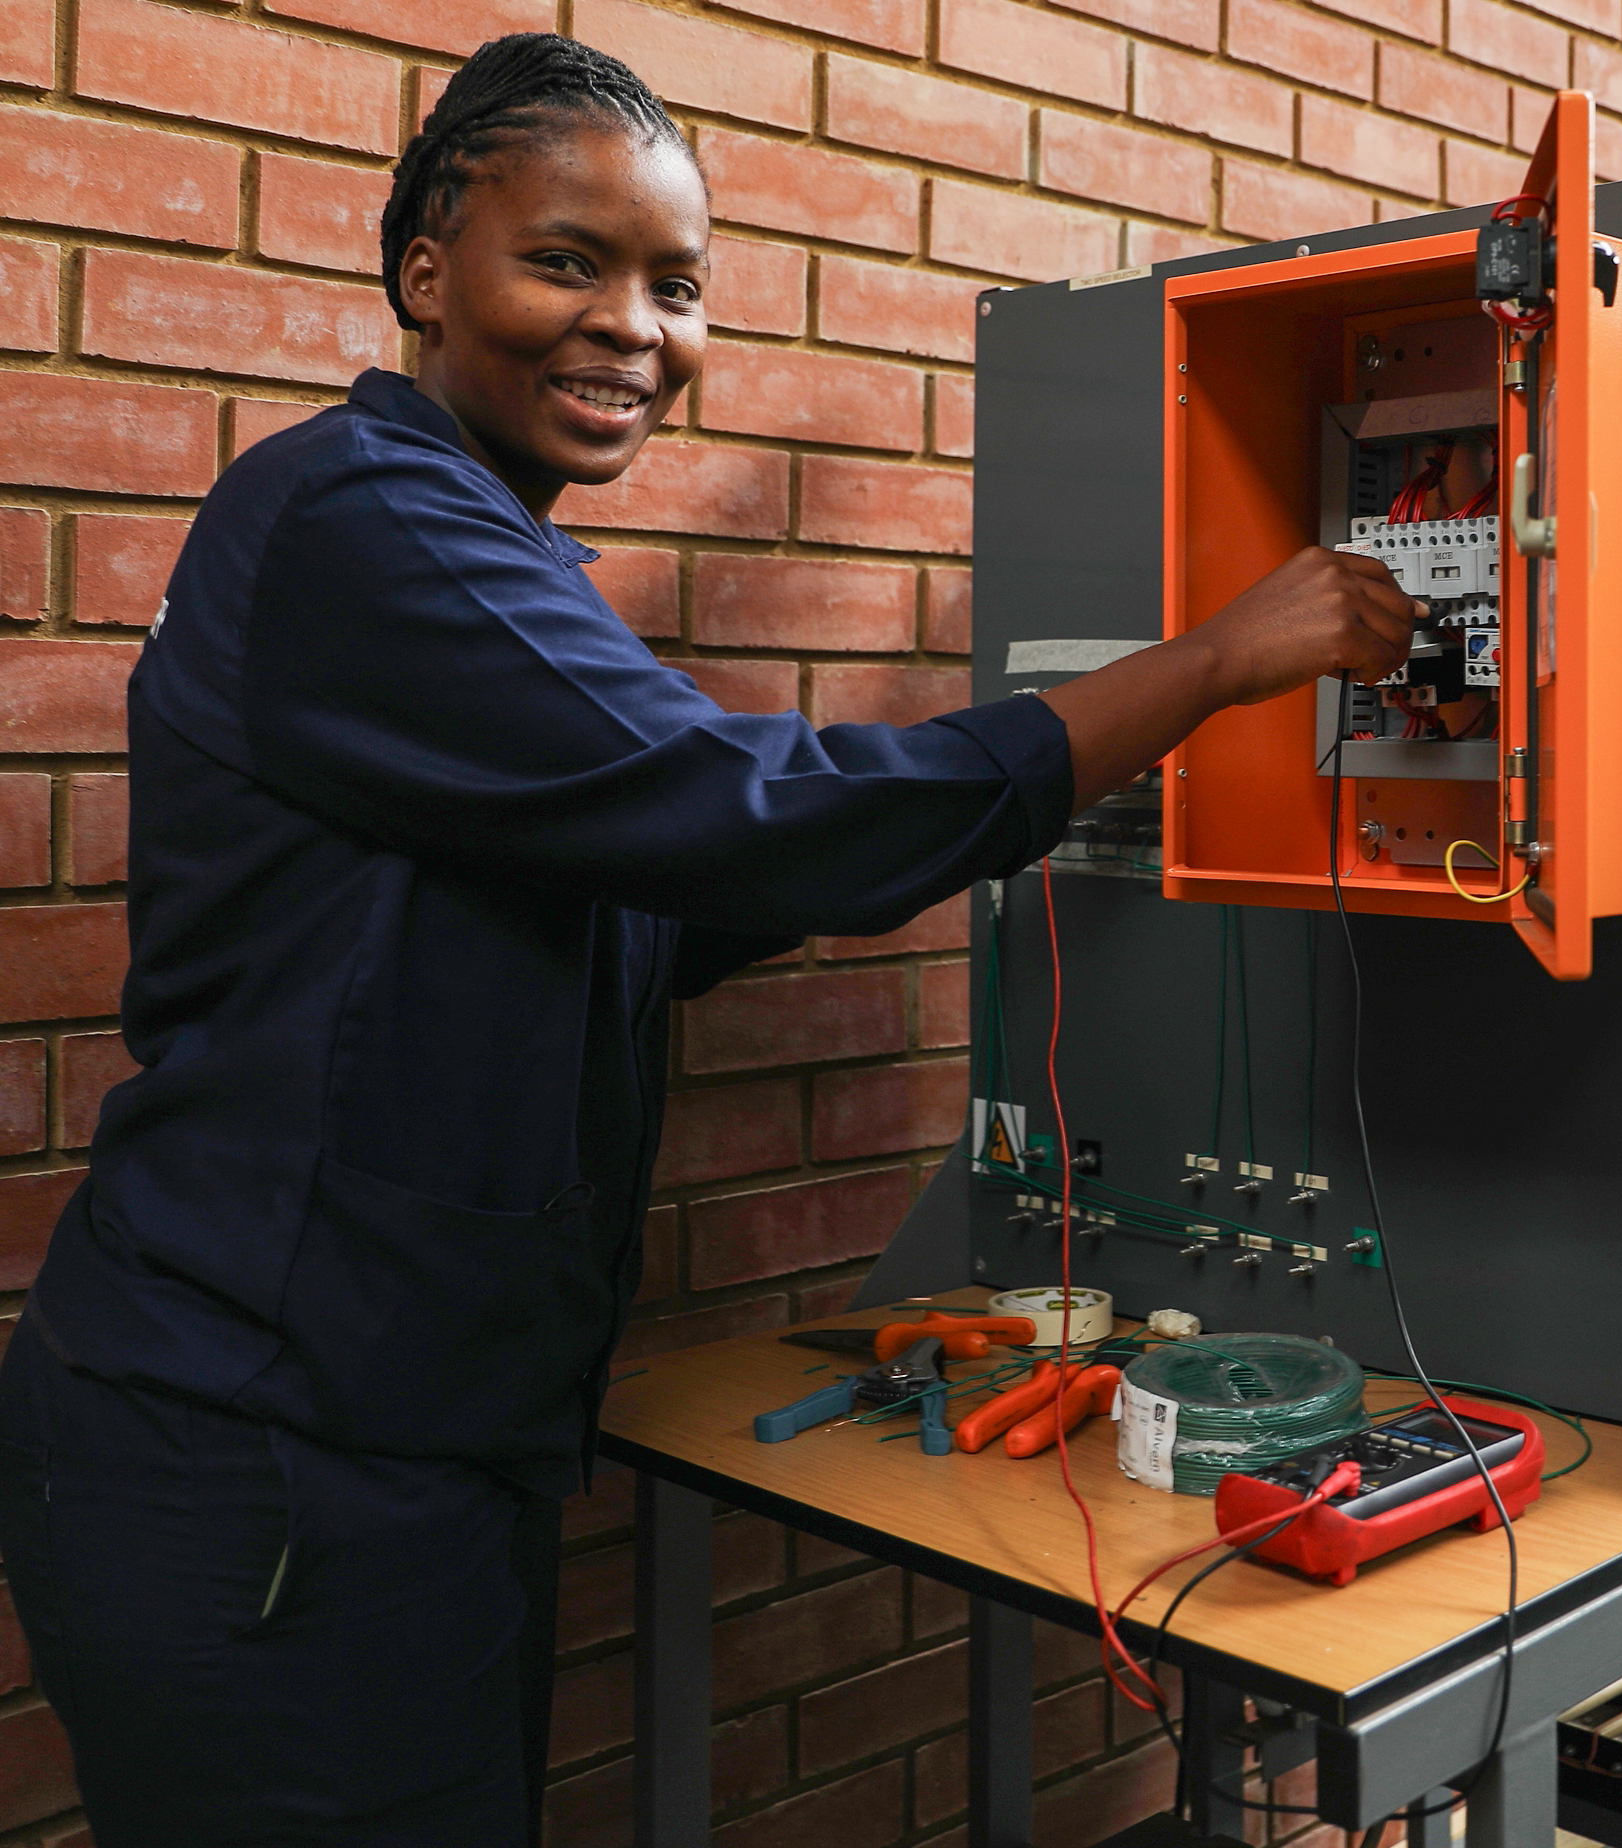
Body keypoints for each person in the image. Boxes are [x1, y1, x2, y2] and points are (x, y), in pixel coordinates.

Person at [0, 35, 1417, 1845]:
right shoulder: (364, 520)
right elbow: (760, 812)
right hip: (264, 1465)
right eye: (567, 262)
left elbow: (658, 897)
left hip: (386, 1450)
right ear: (426, 269)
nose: (633, 329)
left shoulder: (467, 552)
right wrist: (1204, 666)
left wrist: (987, 797)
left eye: (678, 288)